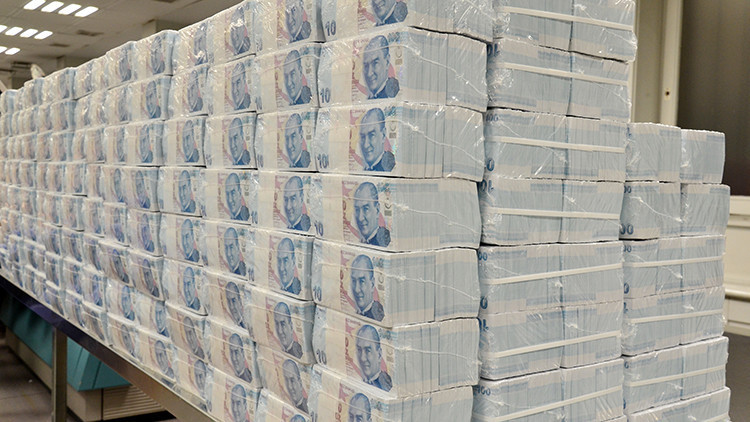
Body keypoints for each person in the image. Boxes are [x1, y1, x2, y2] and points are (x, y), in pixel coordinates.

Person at [353, 182, 391, 247]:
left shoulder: (385, 240)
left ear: (377, 210)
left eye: (366, 209)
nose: (360, 218)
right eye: (357, 210)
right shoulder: (359, 241)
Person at [355, 325, 392, 391]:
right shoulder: (356, 381)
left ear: (379, 354)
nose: (362, 358)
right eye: (359, 350)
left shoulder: (387, 384)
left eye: (368, 351)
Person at [362, 35, 399, 100]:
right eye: (366, 65)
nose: (369, 73)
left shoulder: (394, 94)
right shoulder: (366, 99)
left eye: (375, 63)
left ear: (387, 62)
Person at [350, 255, 385, 322]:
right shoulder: (352, 312)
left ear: (372, 284)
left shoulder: (380, 314)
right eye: (354, 281)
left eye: (362, 281)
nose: (357, 290)